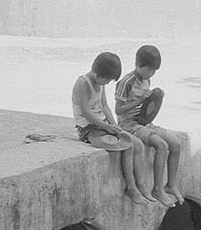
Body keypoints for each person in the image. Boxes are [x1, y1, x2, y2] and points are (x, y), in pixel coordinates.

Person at [72, 52, 154, 206]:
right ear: (98, 73)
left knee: (137, 144)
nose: (108, 82)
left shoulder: (100, 83)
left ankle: (141, 184)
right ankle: (131, 187)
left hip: (103, 124)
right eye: (107, 79)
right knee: (127, 145)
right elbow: (86, 112)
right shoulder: (83, 83)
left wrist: (114, 125)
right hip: (88, 128)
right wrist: (106, 127)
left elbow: (105, 106)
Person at [115, 44, 184, 208]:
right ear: (138, 64)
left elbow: (148, 109)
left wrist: (156, 97)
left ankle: (170, 185)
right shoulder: (126, 82)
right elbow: (118, 110)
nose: (152, 73)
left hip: (144, 123)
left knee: (176, 144)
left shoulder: (147, 79)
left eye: (154, 71)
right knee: (161, 146)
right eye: (150, 69)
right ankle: (158, 189)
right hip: (129, 125)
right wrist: (140, 100)